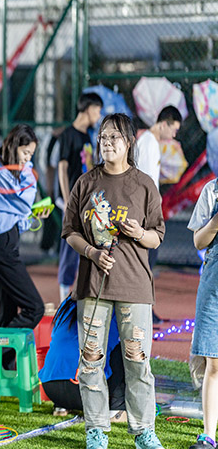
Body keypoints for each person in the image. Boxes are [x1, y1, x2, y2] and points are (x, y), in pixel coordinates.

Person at [62, 113, 166, 449]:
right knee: (91, 360)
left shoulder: (144, 184)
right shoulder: (86, 182)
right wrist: (92, 252)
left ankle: (143, 431)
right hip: (94, 287)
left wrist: (141, 233)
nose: (108, 143)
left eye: (115, 138)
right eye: (104, 137)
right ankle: (96, 429)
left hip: (134, 286)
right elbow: (70, 232)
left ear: (129, 143)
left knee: (137, 360)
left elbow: (158, 236)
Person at [0, 124, 48, 364]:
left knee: (5, 309)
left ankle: (1, 367)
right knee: (34, 308)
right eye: (26, 153)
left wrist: (32, 218)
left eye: (31, 155)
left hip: (0, 241)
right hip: (2, 244)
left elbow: (13, 212)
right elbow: (22, 204)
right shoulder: (7, 171)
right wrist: (28, 169)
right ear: (15, 147)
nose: (28, 159)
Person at [39, 296, 125, 418]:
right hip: (88, 390)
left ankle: (61, 406)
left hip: (51, 388)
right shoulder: (110, 308)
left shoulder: (67, 304)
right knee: (127, 348)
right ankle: (116, 409)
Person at [57, 92, 104, 301]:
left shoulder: (88, 135)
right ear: (87, 108)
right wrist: (67, 199)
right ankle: (63, 295)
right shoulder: (68, 134)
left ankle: (83, 291)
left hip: (85, 200)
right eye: (97, 109)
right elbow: (62, 166)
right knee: (70, 244)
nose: (99, 114)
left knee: (86, 245)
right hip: (71, 201)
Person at [186, 177, 218, 449]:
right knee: (214, 363)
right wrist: (216, 222)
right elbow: (198, 241)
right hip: (214, 284)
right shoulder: (212, 190)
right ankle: (209, 435)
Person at [135, 105, 182, 269]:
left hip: (147, 205)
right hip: (145, 207)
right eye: (173, 129)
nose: (174, 135)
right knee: (149, 252)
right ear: (164, 124)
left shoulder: (150, 141)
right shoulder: (149, 143)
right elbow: (144, 178)